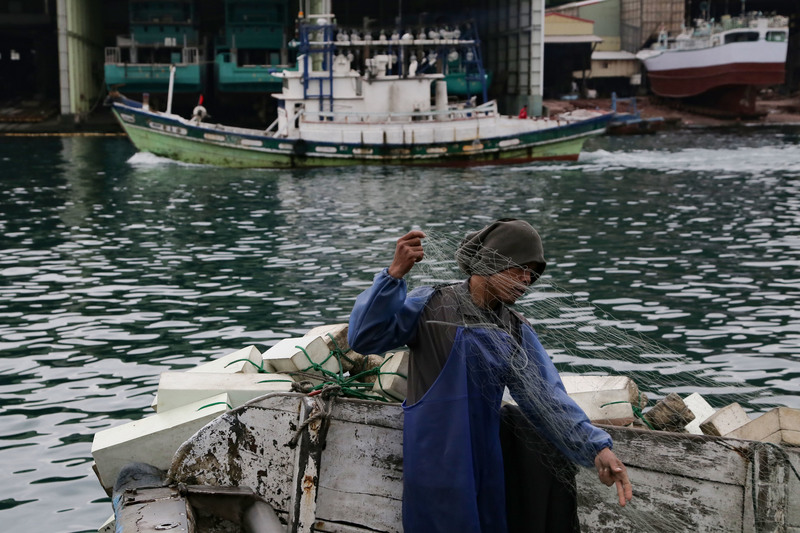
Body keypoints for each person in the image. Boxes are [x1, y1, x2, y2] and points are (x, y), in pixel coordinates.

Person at [348, 219, 633, 533]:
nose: (526, 280)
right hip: (434, 462)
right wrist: (393, 275)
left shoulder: (515, 330)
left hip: (487, 463)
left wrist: (598, 449)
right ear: (490, 261)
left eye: (532, 274)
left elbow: (547, 400)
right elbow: (363, 338)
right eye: (518, 269)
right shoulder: (431, 305)